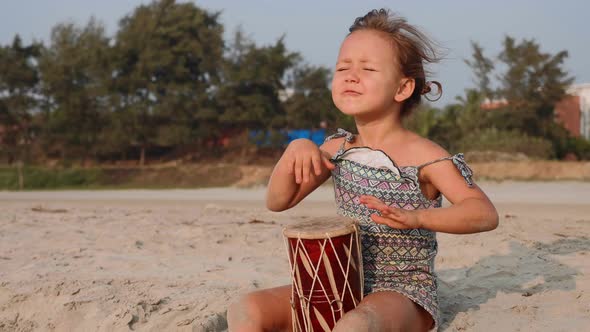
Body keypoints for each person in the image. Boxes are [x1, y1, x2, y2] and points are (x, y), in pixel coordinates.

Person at [227, 8, 499, 332]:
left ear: (402, 88)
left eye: (368, 68)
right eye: (343, 67)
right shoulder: (336, 149)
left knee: (357, 325)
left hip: (404, 294)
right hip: (338, 284)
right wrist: (294, 151)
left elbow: (483, 213)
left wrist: (417, 218)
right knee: (246, 310)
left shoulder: (426, 157)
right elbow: (278, 201)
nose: (350, 75)